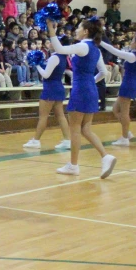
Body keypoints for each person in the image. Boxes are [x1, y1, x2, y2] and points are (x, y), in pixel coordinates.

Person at [47, 18, 116, 178]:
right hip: (91, 89)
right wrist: (90, 81)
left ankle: (73, 165)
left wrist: (51, 30)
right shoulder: (96, 49)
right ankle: (106, 156)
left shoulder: (83, 45)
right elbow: (104, 73)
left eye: (79, 27)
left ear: (86, 31)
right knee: (85, 129)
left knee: (75, 128)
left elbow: (58, 48)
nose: (76, 30)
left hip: (81, 90)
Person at [100, 31, 136, 146]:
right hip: (129, 83)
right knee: (115, 109)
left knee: (124, 112)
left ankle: (124, 138)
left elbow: (114, 51)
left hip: (129, 84)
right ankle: (126, 132)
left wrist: (100, 42)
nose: (131, 42)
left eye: (133, 40)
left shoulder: (133, 56)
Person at [23, 42, 71, 150]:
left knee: (43, 116)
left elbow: (46, 74)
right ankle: (67, 140)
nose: (50, 43)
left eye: (53, 42)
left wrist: (37, 65)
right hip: (58, 86)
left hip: (50, 88)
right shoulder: (64, 56)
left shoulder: (55, 57)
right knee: (60, 115)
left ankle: (36, 140)